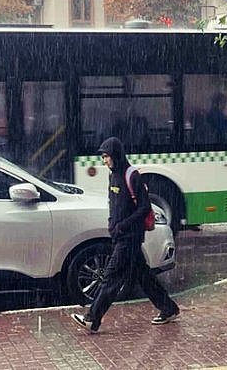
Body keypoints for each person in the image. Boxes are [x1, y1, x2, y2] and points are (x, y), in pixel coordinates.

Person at [71, 136, 179, 333]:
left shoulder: (132, 176)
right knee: (143, 276)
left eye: (106, 157)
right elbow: (114, 203)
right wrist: (112, 224)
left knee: (112, 276)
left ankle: (92, 319)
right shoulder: (113, 175)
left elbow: (144, 206)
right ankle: (168, 308)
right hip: (120, 235)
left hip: (130, 237)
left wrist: (123, 225)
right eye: (103, 157)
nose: (104, 161)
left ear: (116, 156)